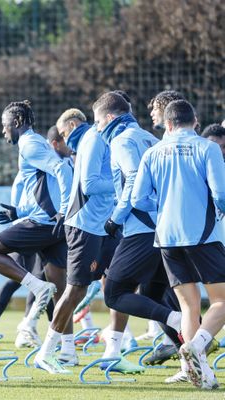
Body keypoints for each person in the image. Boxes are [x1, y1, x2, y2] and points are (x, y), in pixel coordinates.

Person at [132, 99, 225, 390]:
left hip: (166, 238)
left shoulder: (153, 152)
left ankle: (199, 373)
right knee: (222, 300)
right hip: (201, 236)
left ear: (168, 124)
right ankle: (197, 347)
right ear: (195, 121)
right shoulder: (208, 148)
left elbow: (137, 199)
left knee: (188, 307)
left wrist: (163, 206)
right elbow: (220, 193)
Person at [94, 91, 182, 374]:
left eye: (97, 122)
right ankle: (190, 354)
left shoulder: (121, 140)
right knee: (154, 294)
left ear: (109, 118)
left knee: (114, 292)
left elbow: (133, 178)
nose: (97, 128)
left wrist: (115, 218)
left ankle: (179, 321)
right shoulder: (148, 137)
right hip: (164, 226)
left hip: (141, 228)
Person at [0, 100, 72, 363]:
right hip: (50, 223)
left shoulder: (30, 144)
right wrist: (18, 212)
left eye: (4, 125)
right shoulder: (38, 142)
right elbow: (44, 185)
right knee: (61, 290)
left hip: (45, 223)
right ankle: (68, 349)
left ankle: (37, 287)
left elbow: (61, 169)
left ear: (17, 123)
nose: (3, 131)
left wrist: (64, 210)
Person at [35, 104, 119, 374]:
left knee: (119, 283)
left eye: (62, 133)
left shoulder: (96, 137)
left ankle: (114, 351)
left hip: (102, 225)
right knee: (74, 290)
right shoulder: (92, 137)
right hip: (84, 226)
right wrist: (124, 182)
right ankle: (46, 353)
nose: (62, 141)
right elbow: (90, 185)